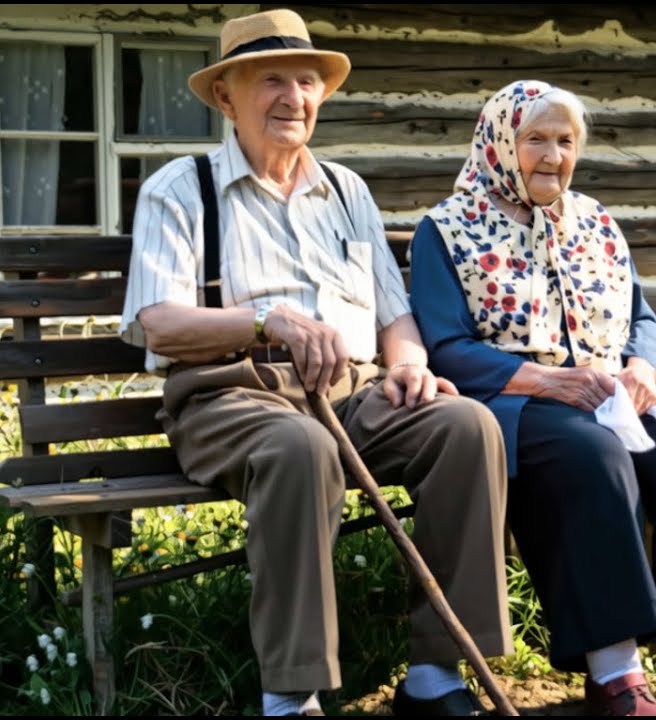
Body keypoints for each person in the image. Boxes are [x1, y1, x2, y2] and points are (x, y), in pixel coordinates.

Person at [118, 10, 511, 717]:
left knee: (465, 427)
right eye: (271, 80)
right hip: (231, 394)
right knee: (301, 447)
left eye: (306, 81)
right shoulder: (180, 188)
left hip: (350, 391)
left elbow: (394, 314)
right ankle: (291, 697)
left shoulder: (346, 190)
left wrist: (408, 364)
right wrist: (263, 319)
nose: (293, 97)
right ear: (225, 97)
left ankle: (436, 677)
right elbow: (158, 324)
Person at [409, 80, 656, 717]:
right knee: (594, 457)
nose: (553, 156)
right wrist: (546, 381)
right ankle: (615, 674)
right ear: (499, 143)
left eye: (566, 141)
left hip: (610, 394)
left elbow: (640, 316)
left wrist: (642, 367)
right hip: (516, 402)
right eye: (535, 139)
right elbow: (445, 345)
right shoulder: (447, 229)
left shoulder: (594, 220)